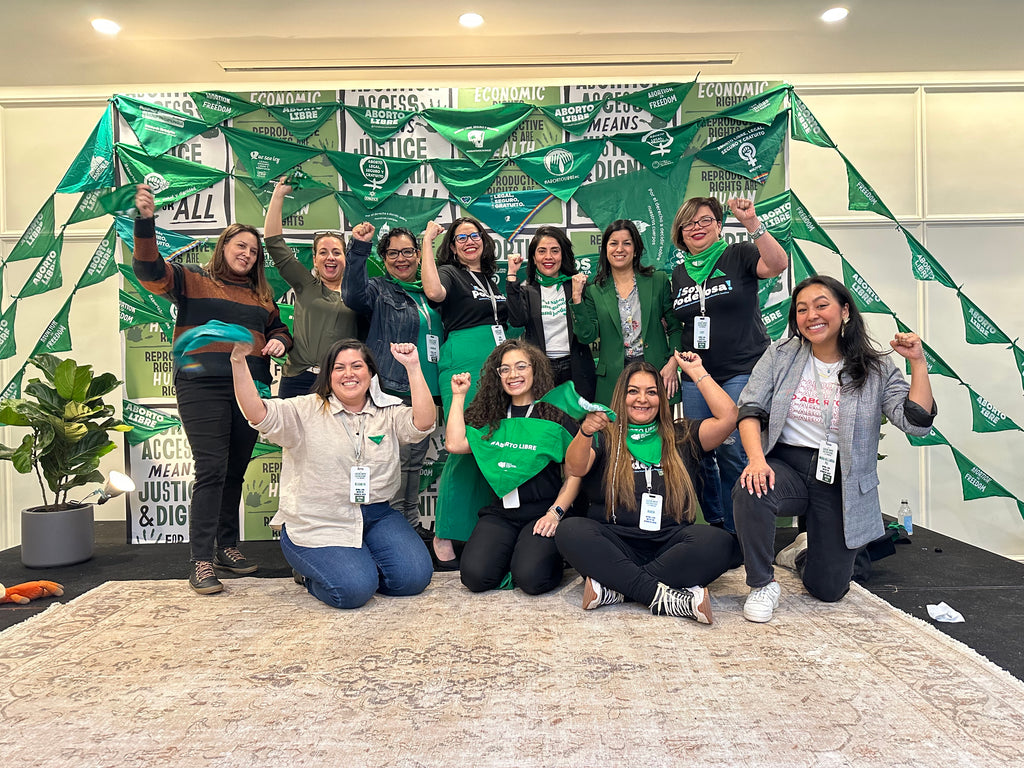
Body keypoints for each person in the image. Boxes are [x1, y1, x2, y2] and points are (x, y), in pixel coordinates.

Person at [733, 275, 936, 623]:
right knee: (751, 487)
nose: (811, 314)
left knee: (829, 589)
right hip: (787, 464)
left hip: (840, 477)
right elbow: (750, 409)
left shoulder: (875, 367)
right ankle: (762, 584)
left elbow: (915, 421)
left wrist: (918, 361)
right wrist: (755, 460)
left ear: (844, 312)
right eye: (801, 309)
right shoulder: (780, 355)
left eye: (821, 305)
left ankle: (800, 553)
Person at [132, 184, 293, 595]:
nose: (247, 254)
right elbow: (150, 271)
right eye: (241, 246)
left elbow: (278, 329)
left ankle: (227, 546)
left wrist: (280, 341)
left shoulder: (262, 294)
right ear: (223, 247)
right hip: (201, 385)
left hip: (250, 389)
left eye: (254, 252)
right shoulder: (190, 279)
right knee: (211, 469)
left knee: (236, 469)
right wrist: (145, 222)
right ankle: (201, 560)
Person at [229, 339, 435, 609]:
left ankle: (359, 562)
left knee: (412, 579)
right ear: (328, 375)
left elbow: (424, 422)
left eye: (357, 366)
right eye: (339, 368)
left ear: (370, 372)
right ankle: (310, 574)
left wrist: (413, 366)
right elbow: (258, 414)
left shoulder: (388, 410)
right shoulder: (304, 409)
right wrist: (238, 362)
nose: (348, 373)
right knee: (353, 590)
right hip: (318, 520)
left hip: (376, 514)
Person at [555, 354, 742, 623]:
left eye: (651, 392)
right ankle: (665, 597)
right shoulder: (604, 433)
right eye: (633, 391)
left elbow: (729, 417)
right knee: (571, 531)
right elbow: (575, 468)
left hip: (670, 545)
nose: (642, 399)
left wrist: (697, 371)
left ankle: (616, 590)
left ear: (662, 398)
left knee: (719, 542)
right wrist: (585, 432)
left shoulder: (682, 434)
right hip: (615, 543)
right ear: (622, 396)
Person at [670, 196, 789, 534]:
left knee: (733, 452)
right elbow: (682, 326)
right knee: (698, 450)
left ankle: (743, 531)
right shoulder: (678, 274)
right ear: (680, 231)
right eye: (689, 223)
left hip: (741, 370)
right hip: (696, 375)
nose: (697, 227)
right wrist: (672, 364)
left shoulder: (738, 254)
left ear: (719, 225)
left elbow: (777, 264)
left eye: (705, 220)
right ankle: (716, 524)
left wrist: (753, 223)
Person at [445, 339, 581, 594]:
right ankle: (516, 555)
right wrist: (458, 396)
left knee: (532, 579)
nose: (513, 375)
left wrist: (556, 513)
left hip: (542, 512)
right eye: (505, 369)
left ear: (534, 370)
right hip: (501, 514)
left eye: (521, 367)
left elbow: (576, 472)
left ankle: (540, 556)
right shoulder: (490, 416)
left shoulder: (555, 415)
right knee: (475, 577)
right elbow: (454, 443)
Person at [342, 223, 441, 542]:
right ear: (383, 258)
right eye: (393, 253)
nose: (402, 259)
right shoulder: (378, 289)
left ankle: (409, 521)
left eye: (408, 252)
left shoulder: (430, 290)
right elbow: (352, 295)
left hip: (426, 389)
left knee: (414, 462)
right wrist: (359, 248)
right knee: (393, 462)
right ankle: (394, 527)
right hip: (392, 388)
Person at [420, 216, 509, 568]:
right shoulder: (450, 274)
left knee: (492, 446)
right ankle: (445, 533)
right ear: (453, 247)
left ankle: (483, 530)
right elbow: (433, 293)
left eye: (475, 235)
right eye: (461, 238)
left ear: (484, 241)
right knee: (463, 445)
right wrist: (427, 241)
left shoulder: (492, 278)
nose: (469, 242)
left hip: (499, 365)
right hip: (464, 364)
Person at [265, 178, 359, 398]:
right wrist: (278, 196)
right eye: (323, 252)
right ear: (315, 260)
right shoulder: (306, 284)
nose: (330, 257)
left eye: (337, 252)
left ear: (346, 259)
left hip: (339, 382)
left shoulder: (358, 295)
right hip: (297, 379)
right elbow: (274, 244)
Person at [572, 219, 681, 407]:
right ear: (605, 250)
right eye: (613, 243)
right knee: (615, 435)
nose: (619, 249)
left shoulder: (658, 280)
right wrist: (576, 298)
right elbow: (586, 336)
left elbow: (676, 327)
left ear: (636, 249)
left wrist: (673, 364)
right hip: (613, 379)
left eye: (627, 243)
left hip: (656, 372)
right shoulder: (595, 290)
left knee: (660, 435)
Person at [505, 226, 596, 400]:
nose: (548, 257)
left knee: (577, 424)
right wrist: (511, 275)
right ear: (534, 257)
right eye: (542, 251)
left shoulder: (578, 287)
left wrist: (577, 296)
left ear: (563, 255)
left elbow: (587, 335)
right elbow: (516, 320)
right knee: (546, 422)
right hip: (541, 370)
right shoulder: (527, 291)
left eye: (555, 251)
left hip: (577, 369)